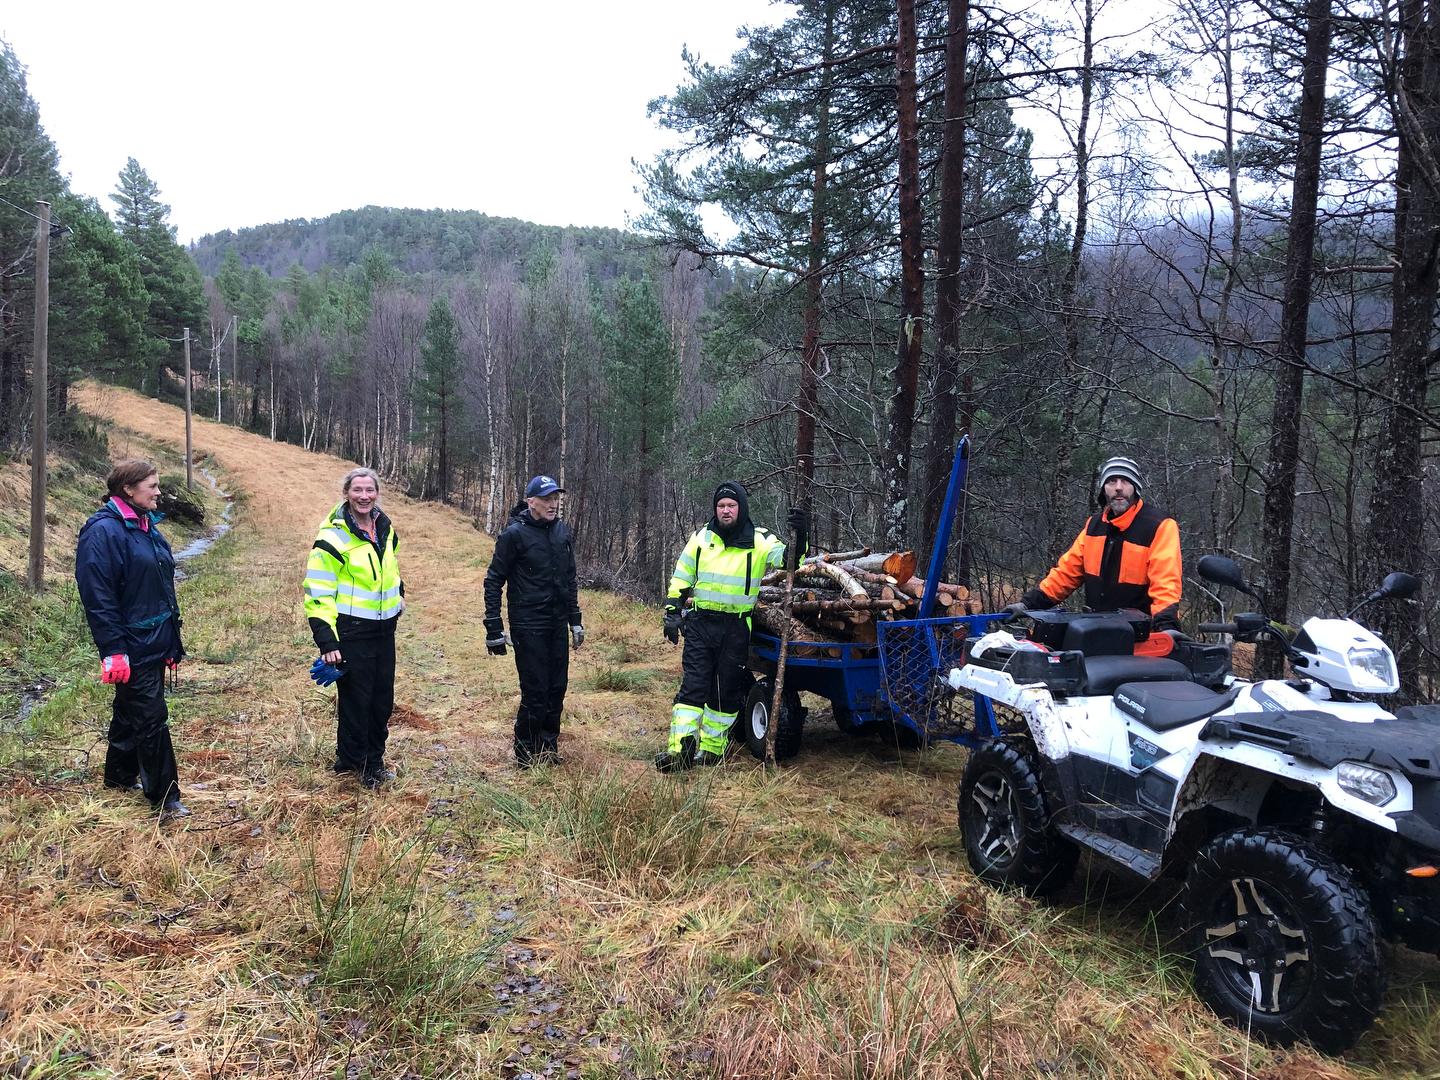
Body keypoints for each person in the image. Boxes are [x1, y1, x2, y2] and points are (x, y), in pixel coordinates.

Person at [657, 481, 807, 773]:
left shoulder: (760, 540)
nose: (726, 511)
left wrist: (801, 535)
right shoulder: (701, 538)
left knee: (725, 689)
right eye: (721, 506)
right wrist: (672, 611)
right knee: (694, 685)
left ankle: (712, 749)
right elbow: (682, 576)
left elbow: (789, 560)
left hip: (736, 627)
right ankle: (681, 749)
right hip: (701, 623)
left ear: (741, 508)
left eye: (731, 505)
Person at [75, 459, 189, 819]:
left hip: (153, 639)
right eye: (152, 486)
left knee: (129, 709)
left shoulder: (144, 525)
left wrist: (170, 641)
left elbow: (158, 587)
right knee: (152, 717)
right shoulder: (102, 532)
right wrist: (114, 650)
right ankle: (166, 799)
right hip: (131, 644)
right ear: (128, 489)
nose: (158, 492)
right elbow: (98, 597)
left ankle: (119, 776)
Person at [303, 468, 405, 788]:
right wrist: (327, 642)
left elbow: (391, 567)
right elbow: (318, 592)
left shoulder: (385, 527)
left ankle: (374, 760)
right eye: (357, 490)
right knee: (357, 703)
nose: (364, 496)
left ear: (377, 493)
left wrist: (399, 593)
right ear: (346, 493)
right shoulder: (331, 538)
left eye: (369, 490)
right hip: (352, 631)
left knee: (381, 701)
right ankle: (355, 764)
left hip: (384, 630)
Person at [1016, 456, 1183, 634]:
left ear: (1135, 487)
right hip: (1095, 632)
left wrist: (1166, 626)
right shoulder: (1094, 526)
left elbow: (1166, 583)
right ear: (1103, 489)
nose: (1118, 487)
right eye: (1112, 481)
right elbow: (1066, 574)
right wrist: (1027, 604)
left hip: (1141, 637)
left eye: (1125, 481)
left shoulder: (1158, 525)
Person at [483, 475, 583, 767]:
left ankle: (548, 749)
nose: (553, 505)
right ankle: (525, 754)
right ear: (531, 502)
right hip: (528, 624)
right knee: (536, 690)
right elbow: (493, 581)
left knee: (557, 688)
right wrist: (494, 626)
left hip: (556, 623)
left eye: (556, 499)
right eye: (547, 499)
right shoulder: (514, 535)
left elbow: (569, 579)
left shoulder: (561, 531)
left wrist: (575, 620)